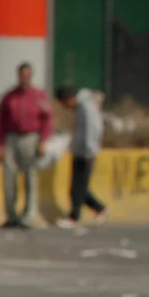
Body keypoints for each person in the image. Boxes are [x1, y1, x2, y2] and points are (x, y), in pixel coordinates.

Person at [0, 62, 51, 229]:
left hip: (31, 138)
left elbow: (47, 119)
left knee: (30, 177)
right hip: (12, 138)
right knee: (9, 178)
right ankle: (11, 215)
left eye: (27, 76)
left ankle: (29, 215)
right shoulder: (10, 96)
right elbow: (0, 122)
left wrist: (43, 141)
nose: (24, 79)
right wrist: (0, 144)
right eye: (22, 75)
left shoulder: (39, 96)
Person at [55, 84, 107, 228]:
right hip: (79, 151)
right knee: (78, 187)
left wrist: (89, 150)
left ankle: (75, 216)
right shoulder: (81, 107)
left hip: (86, 153)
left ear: (69, 98)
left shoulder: (86, 107)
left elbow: (93, 128)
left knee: (79, 188)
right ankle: (99, 209)